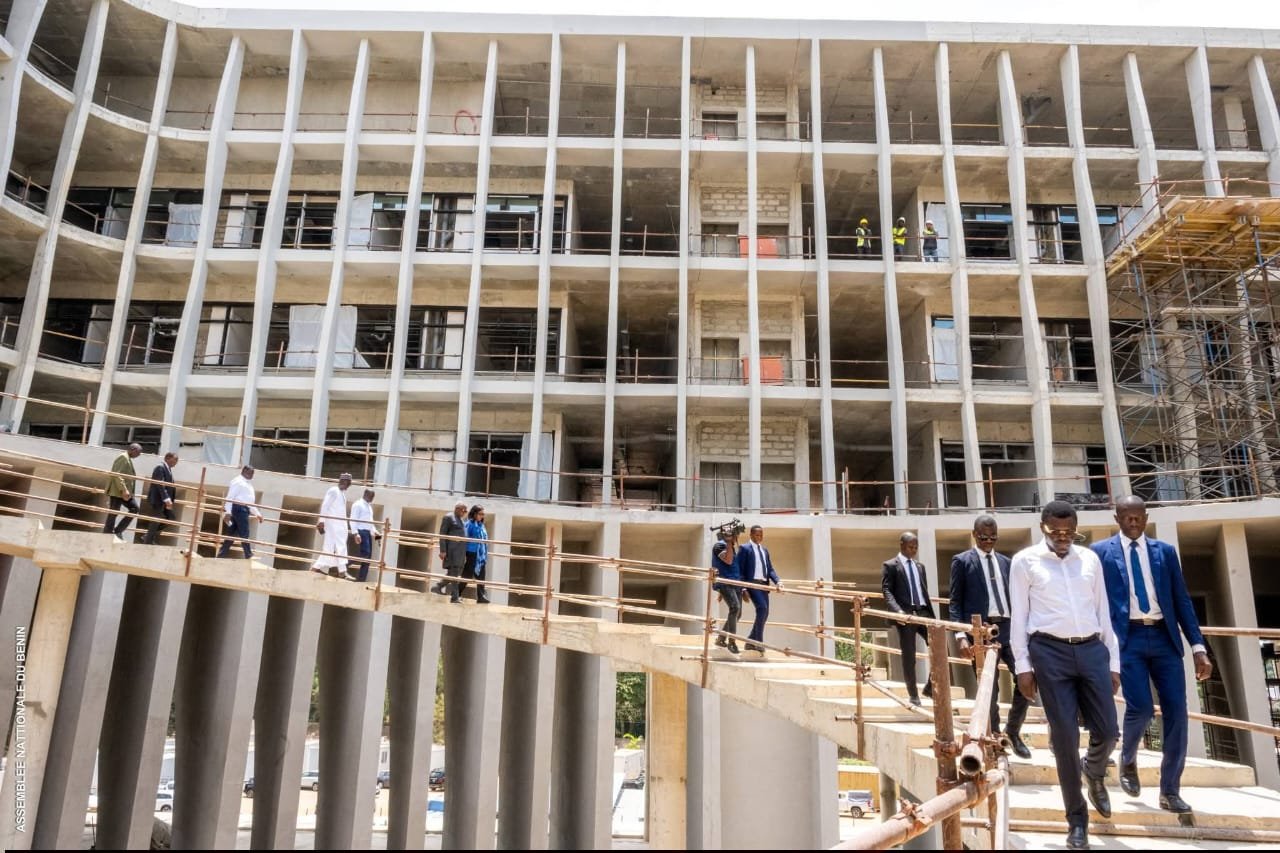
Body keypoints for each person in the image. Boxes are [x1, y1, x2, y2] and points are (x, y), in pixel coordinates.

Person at [1010, 500, 1120, 851]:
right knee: (1065, 739)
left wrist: (1113, 660)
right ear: (1042, 527)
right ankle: (1077, 821)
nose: (1062, 537)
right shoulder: (1025, 561)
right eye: (1055, 531)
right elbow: (1019, 617)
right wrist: (1023, 667)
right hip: (1049, 651)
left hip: (1091, 649)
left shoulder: (1089, 559)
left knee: (1109, 730)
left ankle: (1094, 771)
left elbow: (1103, 610)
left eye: (1069, 531)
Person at [1092, 495, 1212, 814]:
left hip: (1163, 638)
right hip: (1126, 639)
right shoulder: (1100, 553)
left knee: (1177, 712)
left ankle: (1170, 790)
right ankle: (1128, 757)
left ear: (1146, 518)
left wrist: (1198, 647)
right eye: (1127, 517)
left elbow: (1182, 600)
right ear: (1117, 519)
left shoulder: (1165, 552)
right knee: (1141, 707)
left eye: (1138, 517)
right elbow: (1093, 601)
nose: (1133, 522)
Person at [948, 515, 1031, 758]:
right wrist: (961, 635)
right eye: (983, 537)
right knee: (989, 690)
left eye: (993, 537)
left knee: (1028, 678)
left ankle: (1012, 731)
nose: (988, 541)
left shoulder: (1007, 562)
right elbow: (955, 602)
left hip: (1010, 629)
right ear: (974, 534)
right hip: (982, 632)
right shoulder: (962, 561)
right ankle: (995, 738)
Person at [882, 532, 935, 706]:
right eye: (911, 547)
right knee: (909, 656)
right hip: (905, 615)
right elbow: (887, 591)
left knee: (940, 647)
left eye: (916, 547)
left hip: (924, 613)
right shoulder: (890, 565)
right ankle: (913, 695)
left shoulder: (920, 567)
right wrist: (898, 611)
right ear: (902, 545)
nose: (913, 550)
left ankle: (930, 687)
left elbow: (922, 590)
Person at [734, 525, 781, 654]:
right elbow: (739, 570)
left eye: (761, 535)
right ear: (751, 535)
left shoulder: (764, 550)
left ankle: (750, 641)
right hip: (752, 584)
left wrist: (778, 581)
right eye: (756, 535)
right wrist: (743, 588)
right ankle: (758, 642)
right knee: (762, 608)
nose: (759, 537)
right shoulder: (744, 548)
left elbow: (770, 569)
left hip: (763, 585)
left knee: (765, 613)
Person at [311, 473, 352, 576]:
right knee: (339, 546)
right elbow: (325, 506)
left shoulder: (342, 494)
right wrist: (321, 521)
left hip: (339, 526)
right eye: (347, 483)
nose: (348, 485)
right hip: (333, 524)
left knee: (332, 547)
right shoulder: (333, 490)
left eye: (348, 483)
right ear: (342, 481)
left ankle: (316, 567)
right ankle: (342, 571)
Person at [218, 465, 263, 558]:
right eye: (250, 472)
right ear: (244, 471)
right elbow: (230, 497)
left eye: (253, 473)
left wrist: (257, 514)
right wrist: (228, 512)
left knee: (232, 534)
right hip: (239, 509)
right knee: (244, 531)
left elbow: (249, 503)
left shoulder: (248, 484)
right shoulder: (238, 481)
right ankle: (248, 554)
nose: (252, 475)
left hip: (243, 509)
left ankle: (221, 555)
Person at [712, 525, 742, 654]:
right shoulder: (719, 546)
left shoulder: (731, 547)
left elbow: (733, 567)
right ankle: (732, 642)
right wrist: (729, 543)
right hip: (725, 582)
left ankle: (721, 639)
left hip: (734, 583)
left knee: (738, 613)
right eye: (734, 534)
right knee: (735, 608)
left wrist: (742, 588)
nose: (736, 537)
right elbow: (728, 561)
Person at [103, 443, 142, 538]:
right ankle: (107, 533)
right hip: (117, 491)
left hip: (124, 492)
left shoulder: (127, 458)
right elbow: (117, 474)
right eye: (138, 452)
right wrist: (124, 490)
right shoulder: (123, 457)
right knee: (114, 512)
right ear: (133, 449)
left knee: (134, 509)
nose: (139, 455)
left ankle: (118, 530)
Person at [432, 501, 469, 603]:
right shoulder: (448, 517)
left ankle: (437, 586)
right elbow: (442, 534)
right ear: (457, 509)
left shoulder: (461, 520)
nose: (465, 513)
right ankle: (455, 597)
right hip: (452, 551)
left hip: (460, 552)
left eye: (466, 511)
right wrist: (443, 550)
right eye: (464, 510)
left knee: (453, 573)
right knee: (454, 573)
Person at [143, 452, 178, 546]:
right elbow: (160, 484)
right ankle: (148, 541)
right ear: (167, 458)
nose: (175, 463)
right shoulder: (160, 467)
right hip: (159, 499)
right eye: (174, 460)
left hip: (165, 502)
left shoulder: (168, 469)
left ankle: (148, 536)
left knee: (171, 518)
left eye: (176, 461)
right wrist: (166, 499)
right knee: (155, 520)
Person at [347, 488, 380, 582]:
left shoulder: (369, 507)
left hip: (368, 532)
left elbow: (370, 523)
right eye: (371, 496)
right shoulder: (358, 504)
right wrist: (355, 533)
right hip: (361, 531)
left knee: (368, 558)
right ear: (365, 494)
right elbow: (353, 520)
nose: (372, 498)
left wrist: (377, 535)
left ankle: (361, 579)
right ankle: (344, 565)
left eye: (373, 496)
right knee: (365, 554)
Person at [464, 504, 490, 604]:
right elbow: (465, 538)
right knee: (467, 574)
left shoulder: (481, 525)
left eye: (483, 514)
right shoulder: (469, 524)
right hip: (472, 552)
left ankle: (481, 596)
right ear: (474, 514)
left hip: (481, 554)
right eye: (480, 514)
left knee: (482, 575)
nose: (482, 516)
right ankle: (457, 593)